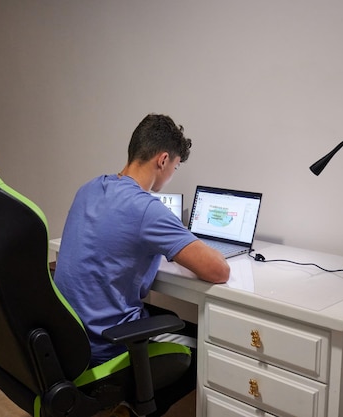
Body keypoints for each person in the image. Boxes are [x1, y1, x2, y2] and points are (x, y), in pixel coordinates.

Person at [53, 113, 230, 416]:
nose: (172, 173)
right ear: (163, 160)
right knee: (207, 348)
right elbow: (218, 270)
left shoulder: (89, 189)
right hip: (106, 345)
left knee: (171, 317)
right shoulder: (147, 209)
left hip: (68, 337)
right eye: (175, 166)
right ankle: (135, 409)